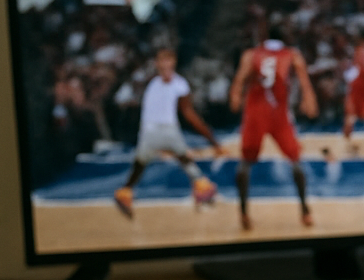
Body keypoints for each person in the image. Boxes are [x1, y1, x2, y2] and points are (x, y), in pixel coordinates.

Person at [113, 48, 221, 219]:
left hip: (165, 129)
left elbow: (188, 113)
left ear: (174, 62)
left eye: (168, 60)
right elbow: (186, 114)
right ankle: (202, 186)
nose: (165, 64)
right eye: (161, 61)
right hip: (151, 130)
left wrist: (209, 137)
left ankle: (125, 191)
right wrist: (212, 141)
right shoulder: (153, 83)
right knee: (168, 157)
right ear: (156, 64)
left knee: (151, 161)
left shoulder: (178, 84)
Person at [228, 30, 319, 230]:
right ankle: (305, 210)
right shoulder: (293, 54)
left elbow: (240, 78)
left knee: (245, 163)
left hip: (256, 114)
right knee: (296, 161)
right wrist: (310, 99)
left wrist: (235, 95)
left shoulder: (251, 54)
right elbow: (304, 80)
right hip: (278, 114)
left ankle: (243, 212)